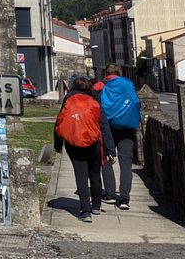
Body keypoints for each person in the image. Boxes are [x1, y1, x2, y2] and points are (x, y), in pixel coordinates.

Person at [54, 77, 115, 222]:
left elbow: (60, 121)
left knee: (81, 176)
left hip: (74, 143)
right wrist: (109, 149)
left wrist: (58, 144)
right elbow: (104, 126)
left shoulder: (68, 100)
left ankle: (85, 211)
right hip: (94, 143)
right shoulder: (94, 102)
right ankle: (96, 205)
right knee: (95, 174)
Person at [99, 64, 141, 210]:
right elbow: (136, 101)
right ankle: (124, 199)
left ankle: (110, 195)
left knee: (106, 160)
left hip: (108, 128)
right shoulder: (128, 83)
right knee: (126, 165)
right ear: (119, 73)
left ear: (106, 73)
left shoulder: (102, 86)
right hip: (127, 128)